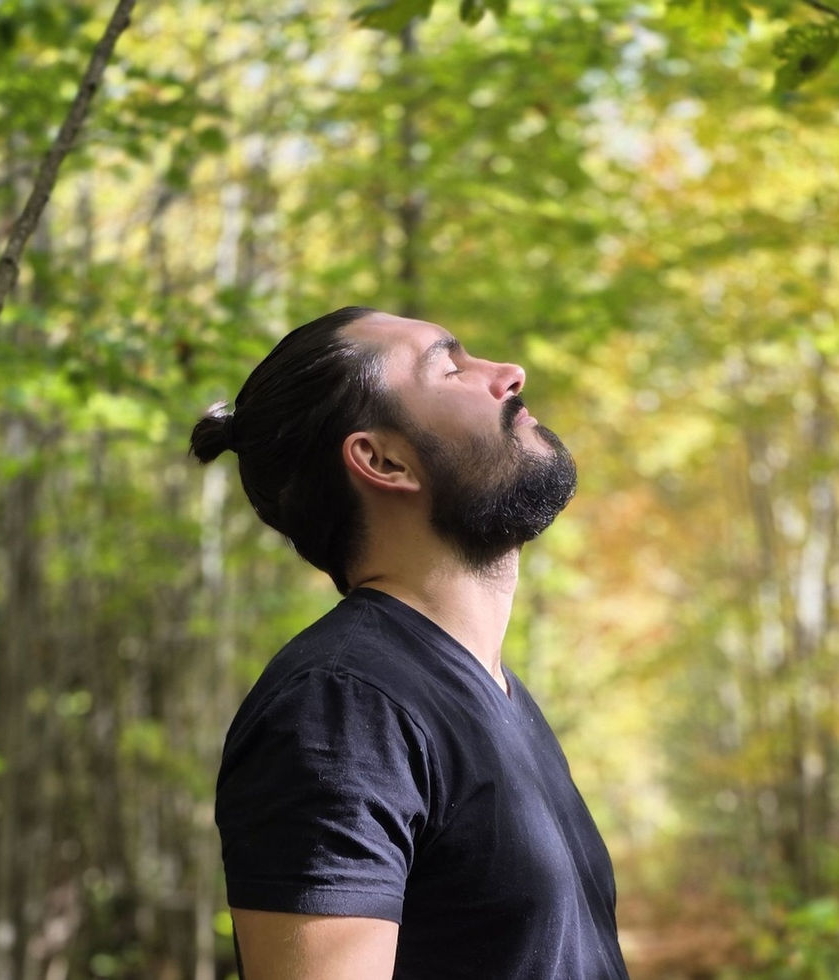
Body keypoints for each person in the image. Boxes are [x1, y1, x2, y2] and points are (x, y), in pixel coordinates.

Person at [190, 306, 629, 980]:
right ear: (383, 460)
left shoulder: (493, 695)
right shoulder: (343, 709)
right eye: (450, 367)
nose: (509, 375)